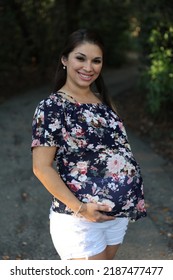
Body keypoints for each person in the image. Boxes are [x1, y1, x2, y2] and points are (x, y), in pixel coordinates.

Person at [31, 28, 147, 260]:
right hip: (80, 219)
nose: (88, 67)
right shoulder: (51, 108)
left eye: (96, 61)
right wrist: (82, 208)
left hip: (116, 217)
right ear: (65, 59)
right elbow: (41, 168)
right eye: (80, 58)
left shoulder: (103, 101)